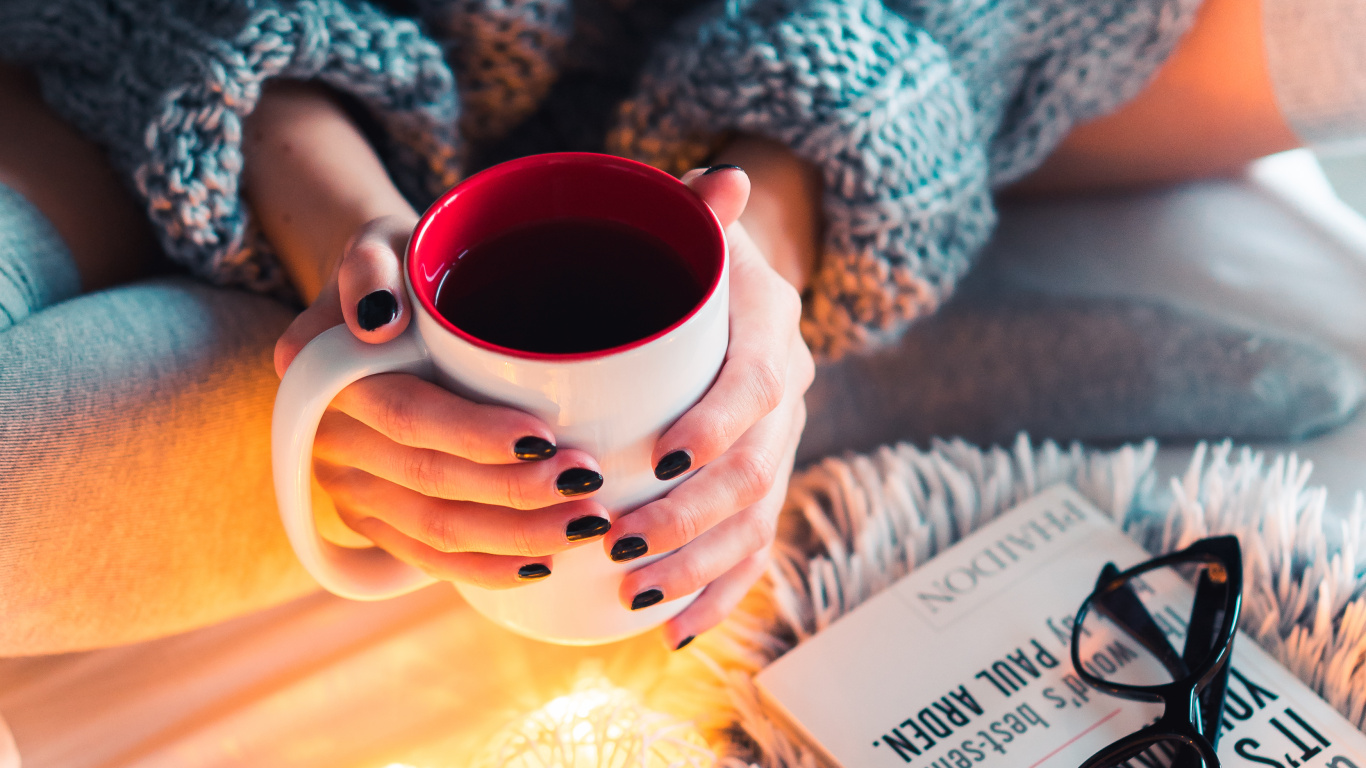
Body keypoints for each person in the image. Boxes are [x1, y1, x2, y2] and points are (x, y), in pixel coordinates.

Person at [0, 0, 1359, 656]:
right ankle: (742, 406)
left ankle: (760, 377)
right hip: (243, 66)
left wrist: (772, 233)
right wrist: (358, 259)